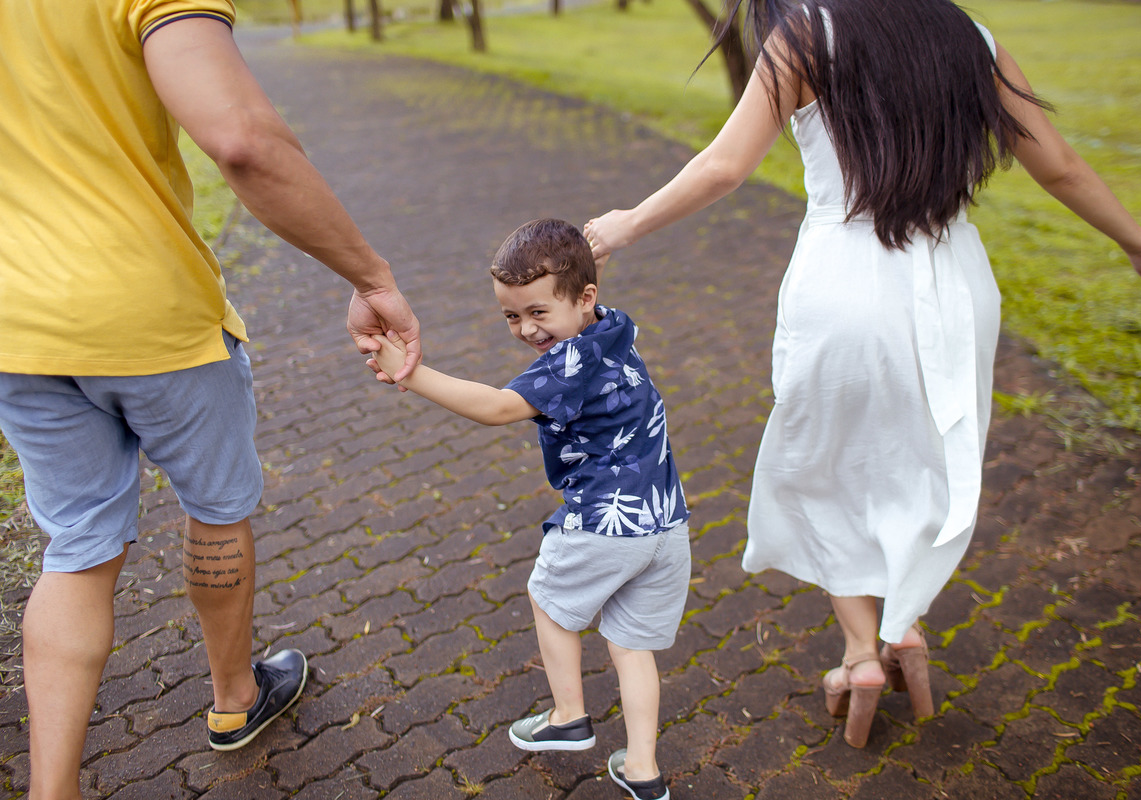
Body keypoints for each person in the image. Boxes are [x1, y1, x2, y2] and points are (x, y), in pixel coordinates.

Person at [583, 0, 1141, 748]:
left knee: (826, 469)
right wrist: (1137, 239)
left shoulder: (805, 34)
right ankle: (904, 625)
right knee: (923, 460)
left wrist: (624, 224)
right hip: (955, 282)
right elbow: (1060, 165)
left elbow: (724, 166)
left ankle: (861, 651)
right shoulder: (970, 36)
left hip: (846, 280)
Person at [0, 2, 421, 797]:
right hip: (150, 310)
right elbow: (242, 140)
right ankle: (234, 700)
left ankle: (50, 791)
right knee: (217, 509)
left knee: (77, 549)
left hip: (17, 325)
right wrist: (371, 276)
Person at [371, 218, 689, 800]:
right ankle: (643, 769)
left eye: (537, 312)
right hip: (666, 525)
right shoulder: (612, 327)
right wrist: (581, 263)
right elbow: (578, 284)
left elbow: (496, 408)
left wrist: (408, 372)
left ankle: (568, 716)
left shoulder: (568, 363)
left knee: (549, 599)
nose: (526, 329)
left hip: (606, 521)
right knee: (631, 645)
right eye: (511, 316)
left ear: (583, 298)